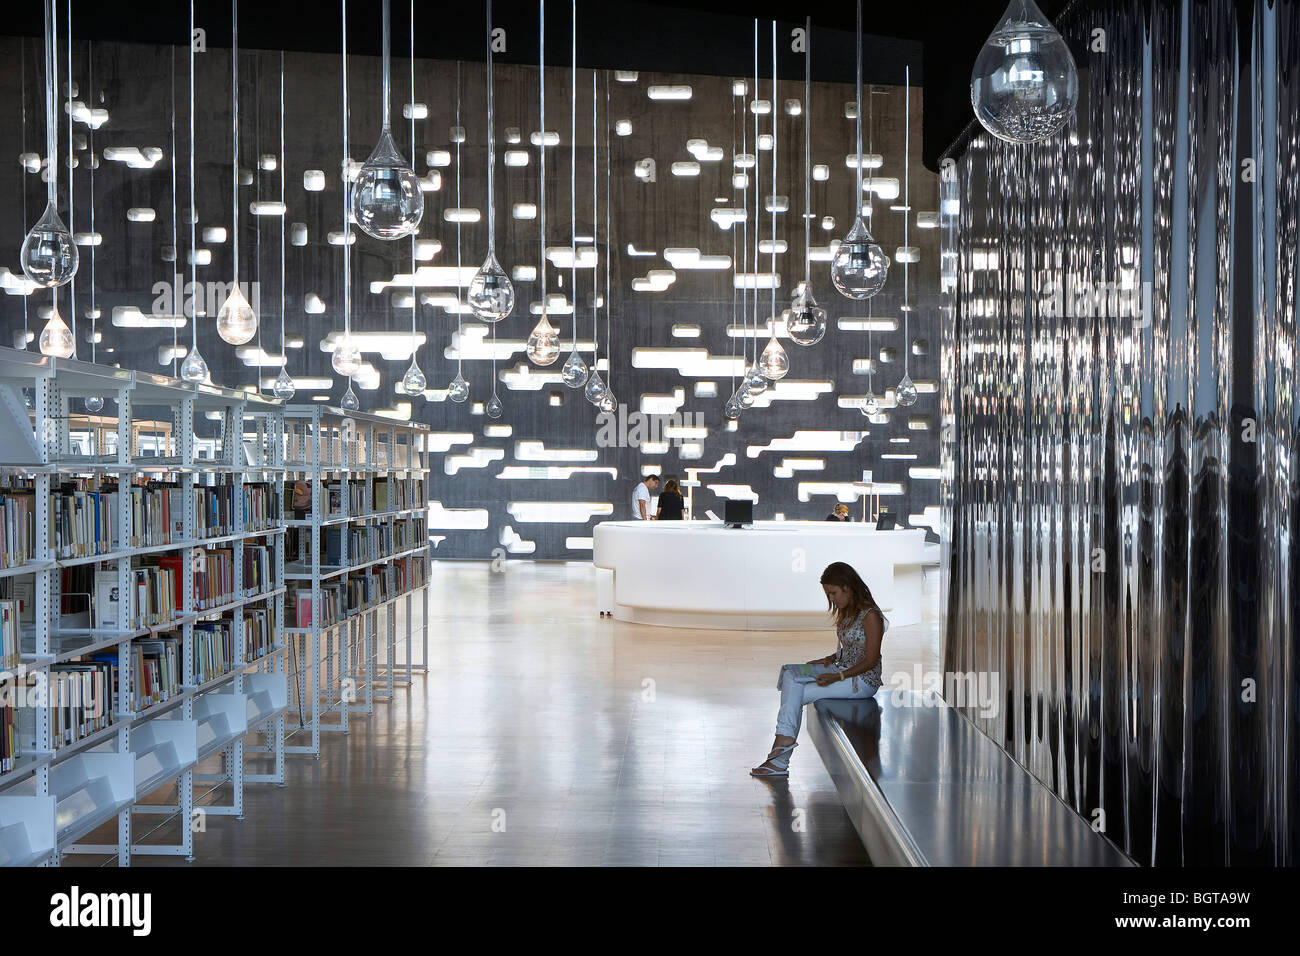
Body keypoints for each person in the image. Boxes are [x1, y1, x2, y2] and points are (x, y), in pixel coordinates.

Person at [750, 561, 887, 777]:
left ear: (848, 588)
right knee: (791, 674)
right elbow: (852, 649)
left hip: (862, 681)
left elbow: (871, 660)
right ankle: (781, 751)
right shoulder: (848, 612)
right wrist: (828, 659)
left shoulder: (871, 616)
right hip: (841, 669)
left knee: (796, 694)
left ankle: (780, 754)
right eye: (828, 594)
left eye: (833, 593)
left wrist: (837, 676)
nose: (831, 599)